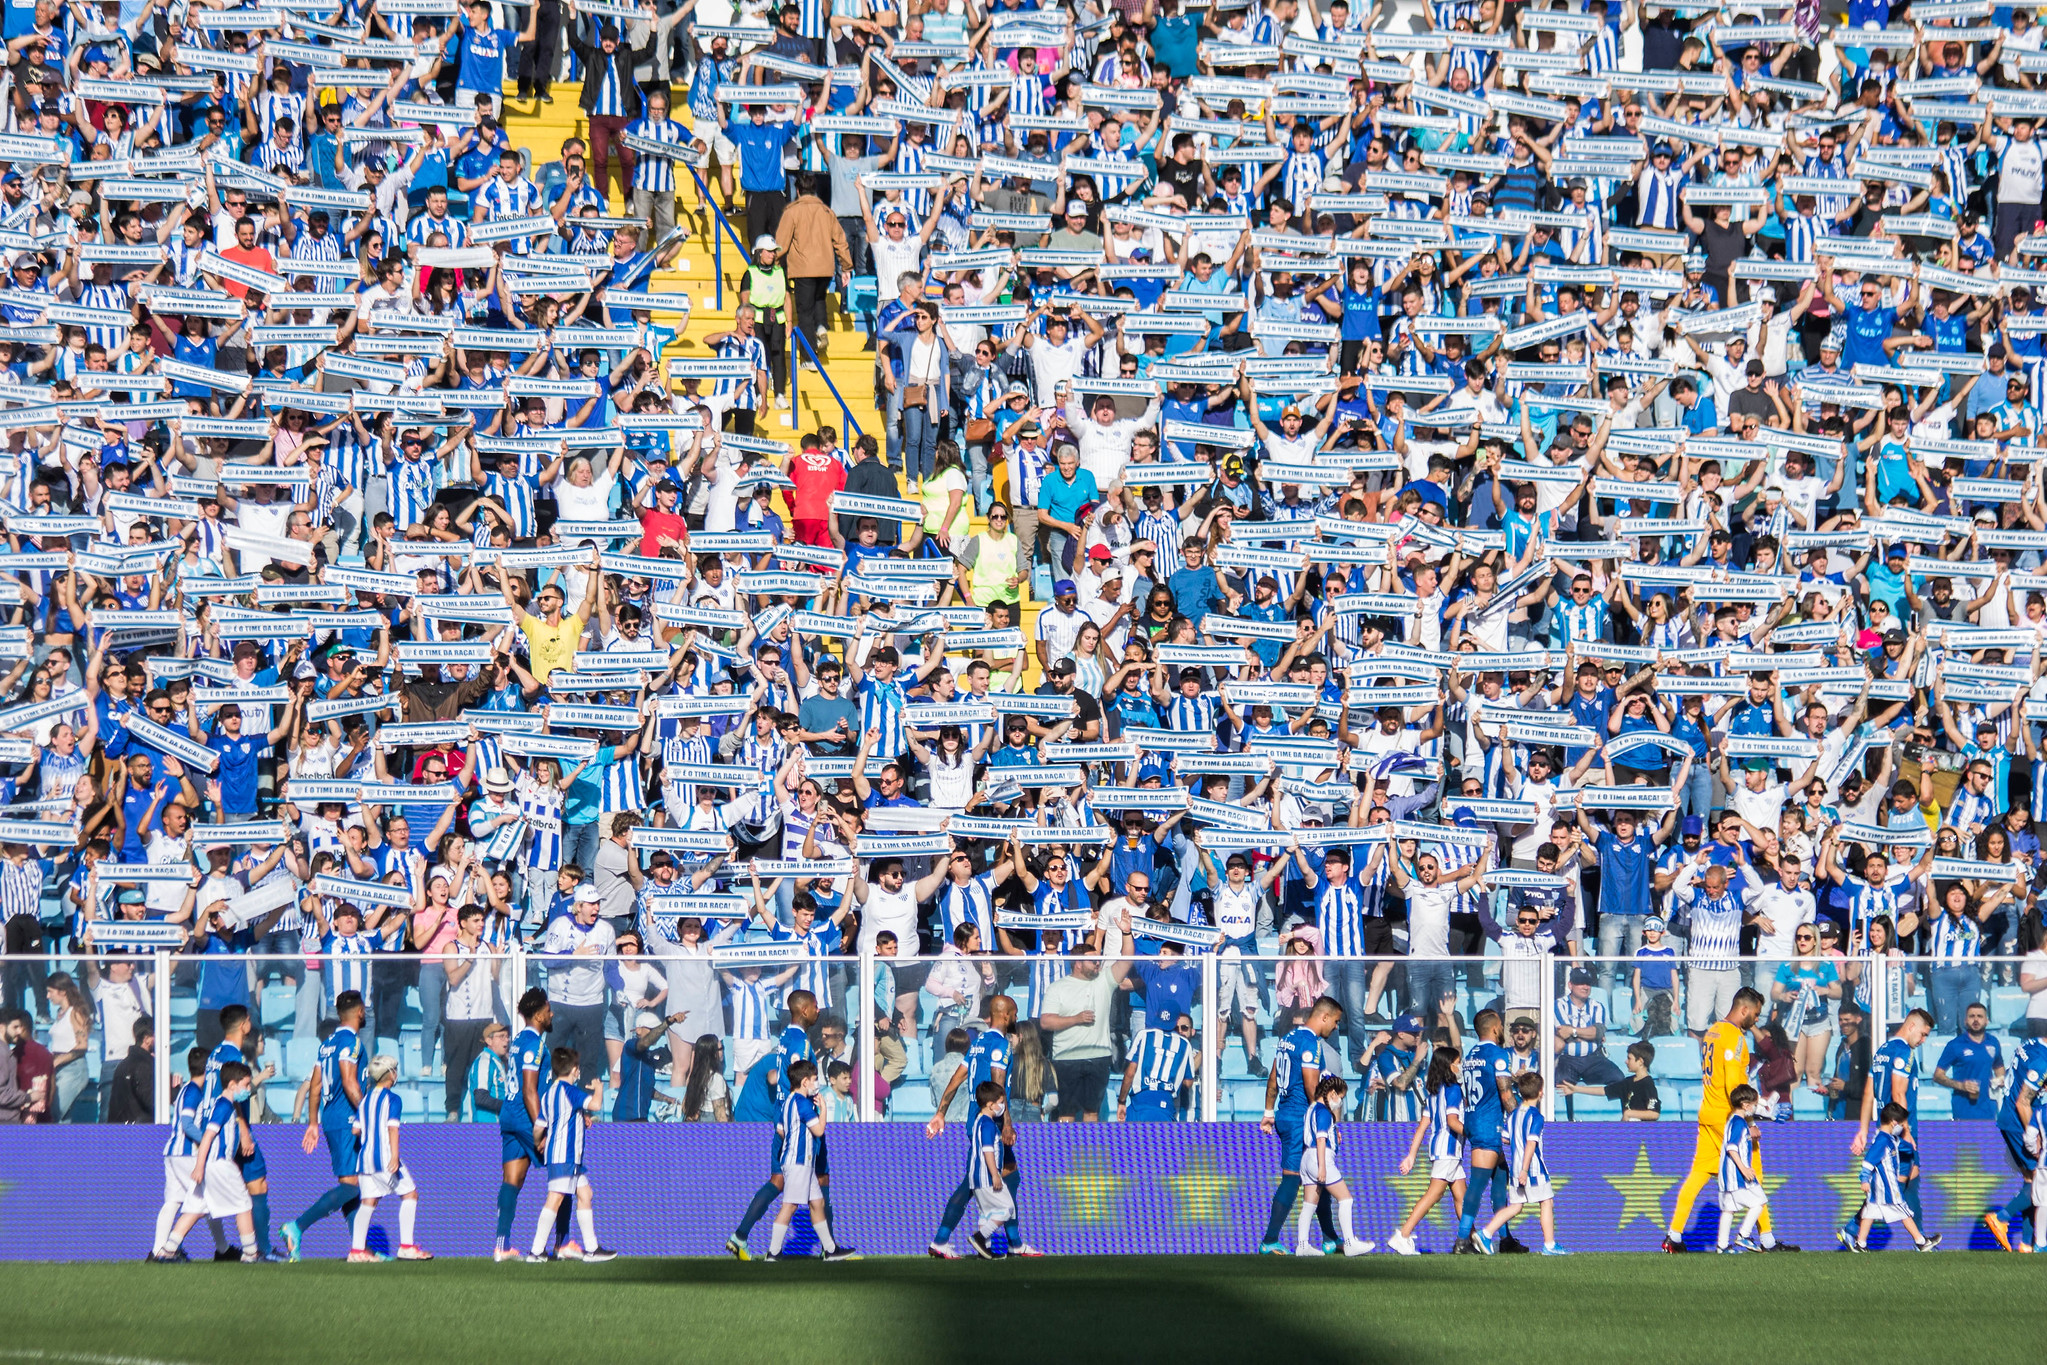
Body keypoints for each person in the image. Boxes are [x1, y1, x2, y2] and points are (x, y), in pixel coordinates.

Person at [1662, 987, 1792, 1252]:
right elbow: (1736, 1087)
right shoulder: (1734, 1037)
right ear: (1744, 1009)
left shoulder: (1713, 1031)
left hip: (1708, 1111)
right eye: (1755, 1014)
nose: (1756, 1019)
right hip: (1728, 1117)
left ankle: (1673, 1237)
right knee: (1754, 1173)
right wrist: (1753, 1121)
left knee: (1698, 1174)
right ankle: (1765, 1240)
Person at [281, 990, 367, 1261]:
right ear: (360, 1012)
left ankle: (358, 1249)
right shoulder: (351, 1042)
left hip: (331, 1118)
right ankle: (297, 1226)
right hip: (347, 1118)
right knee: (352, 1186)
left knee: (350, 1183)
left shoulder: (327, 1043)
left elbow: (315, 1085)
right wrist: (368, 1114)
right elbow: (350, 1080)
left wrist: (313, 1123)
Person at [1257, 996, 1345, 1255]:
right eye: (1336, 1021)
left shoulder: (1287, 1039)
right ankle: (1270, 1239)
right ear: (1324, 1017)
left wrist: (1268, 1112)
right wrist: (1324, 1118)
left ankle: (1330, 1238)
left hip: (1285, 1113)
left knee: (1318, 1177)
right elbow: (1310, 1085)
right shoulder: (1310, 1042)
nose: (1336, 1027)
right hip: (1299, 1118)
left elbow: (1273, 1079)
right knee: (1293, 1179)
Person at [153, 1060, 259, 1262]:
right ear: (232, 1084)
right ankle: (251, 1253)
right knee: (244, 1204)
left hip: (210, 1164)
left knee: (196, 1207)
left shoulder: (221, 1104)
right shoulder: (224, 1106)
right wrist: (199, 1166)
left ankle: (168, 1250)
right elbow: (208, 1136)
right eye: (245, 1085)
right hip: (220, 1164)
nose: (248, 1089)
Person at [526, 1046, 617, 1264]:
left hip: (566, 1157)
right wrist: (599, 1088)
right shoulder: (569, 1090)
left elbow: (539, 1127)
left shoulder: (548, 1094)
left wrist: (540, 1143)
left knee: (586, 1194)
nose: (578, 1073)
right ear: (574, 1069)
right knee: (555, 1198)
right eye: (577, 1068)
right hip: (564, 1155)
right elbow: (595, 1104)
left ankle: (592, 1249)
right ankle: (536, 1251)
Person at [762, 1060, 857, 1262]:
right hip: (798, 1162)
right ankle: (773, 1252)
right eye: (814, 1080)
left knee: (817, 1202)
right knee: (789, 1206)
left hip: (795, 1160)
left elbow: (780, 1129)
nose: (816, 1084)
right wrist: (822, 1108)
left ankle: (830, 1250)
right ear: (805, 1082)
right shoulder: (803, 1103)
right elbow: (820, 1130)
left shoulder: (788, 1101)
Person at [1454, 1010, 1526, 1255]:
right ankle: (1463, 1240)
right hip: (1488, 1125)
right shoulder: (1499, 1055)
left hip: (1475, 1119)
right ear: (1495, 1028)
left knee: (1499, 1178)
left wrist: (1514, 1080)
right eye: (1502, 1025)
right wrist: (1521, 1121)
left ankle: (1505, 1239)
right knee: (1477, 1185)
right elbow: (1506, 1096)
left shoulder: (1472, 1054)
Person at [349, 1055, 431, 1263]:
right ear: (391, 1074)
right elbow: (392, 1129)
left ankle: (356, 1251)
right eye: (395, 1070)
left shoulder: (365, 1099)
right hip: (384, 1157)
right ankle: (406, 1246)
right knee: (410, 1194)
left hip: (365, 1159)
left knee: (368, 1202)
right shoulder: (392, 1099)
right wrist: (394, 1156)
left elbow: (355, 1130)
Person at [1386, 1044, 1466, 1256]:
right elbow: (1452, 1121)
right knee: (1433, 1194)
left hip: (1444, 1150)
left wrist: (1411, 1155)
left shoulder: (1434, 1092)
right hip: (1447, 1149)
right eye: (1458, 1063)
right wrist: (1474, 1134)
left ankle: (1468, 1239)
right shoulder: (1453, 1090)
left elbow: (1422, 1127)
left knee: (1461, 1197)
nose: (1461, 1067)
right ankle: (1402, 1235)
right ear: (1450, 1066)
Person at [1472, 1072, 1565, 1255]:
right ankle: (1549, 1245)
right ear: (1541, 1092)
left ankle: (1486, 1233)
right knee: (1546, 1202)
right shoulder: (1536, 1117)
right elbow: (1531, 1143)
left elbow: (1505, 1139)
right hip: (1532, 1169)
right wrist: (1525, 1168)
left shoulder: (1514, 1115)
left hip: (1515, 1169)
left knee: (1515, 1206)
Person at [1846, 1102, 1941, 1252]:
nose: (1902, 1127)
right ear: (1893, 1122)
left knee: (1869, 1212)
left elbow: (1900, 1145)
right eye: (1901, 1124)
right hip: (1886, 1185)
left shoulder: (1888, 1138)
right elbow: (1869, 1161)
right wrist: (1864, 1179)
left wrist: (1910, 1146)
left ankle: (1860, 1244)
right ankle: (1921, 1242)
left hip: (1878, 1185)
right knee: (1903, 1210)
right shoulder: (1882, 1140)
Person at [1296, 1075, 1374, 1257]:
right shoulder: (1323, 1111)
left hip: (1307, 1157)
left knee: (1308, 1205)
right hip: (1319, 1157)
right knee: (1346, 1199)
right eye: (1340, 1097)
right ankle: (1349, 1242)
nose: (1340, 1102)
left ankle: (1302, 1245)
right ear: (1332, 1093)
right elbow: (1321, 1138)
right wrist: (1322, 1166)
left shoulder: (1311, 1109)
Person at [1716, 1085, 1769, 1254]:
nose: (1754, 1108)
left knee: (1728, 1209)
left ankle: (1722, 1246)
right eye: (1753, 1104)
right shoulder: (1739, 1123)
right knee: (1759, 1201)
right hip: (1736, 1175)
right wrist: (1744, 1169)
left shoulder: (1733, 1120)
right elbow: (1732, 1148)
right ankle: (1743, 1235)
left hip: (1727, 1175)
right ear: (1746, 1105)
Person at [964, 1080, 1013, 1260]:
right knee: (1007, 1208)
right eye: (1001, 1103)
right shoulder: (987, 1124)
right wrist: (995, 1174)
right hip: (986, 1176)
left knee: (986, 1213)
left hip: (976, 1177)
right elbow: (987, 1150)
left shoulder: (979, 1120)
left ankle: (984, 1251)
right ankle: (980, 1236)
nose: (1002, 1107)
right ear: (990, 1105)